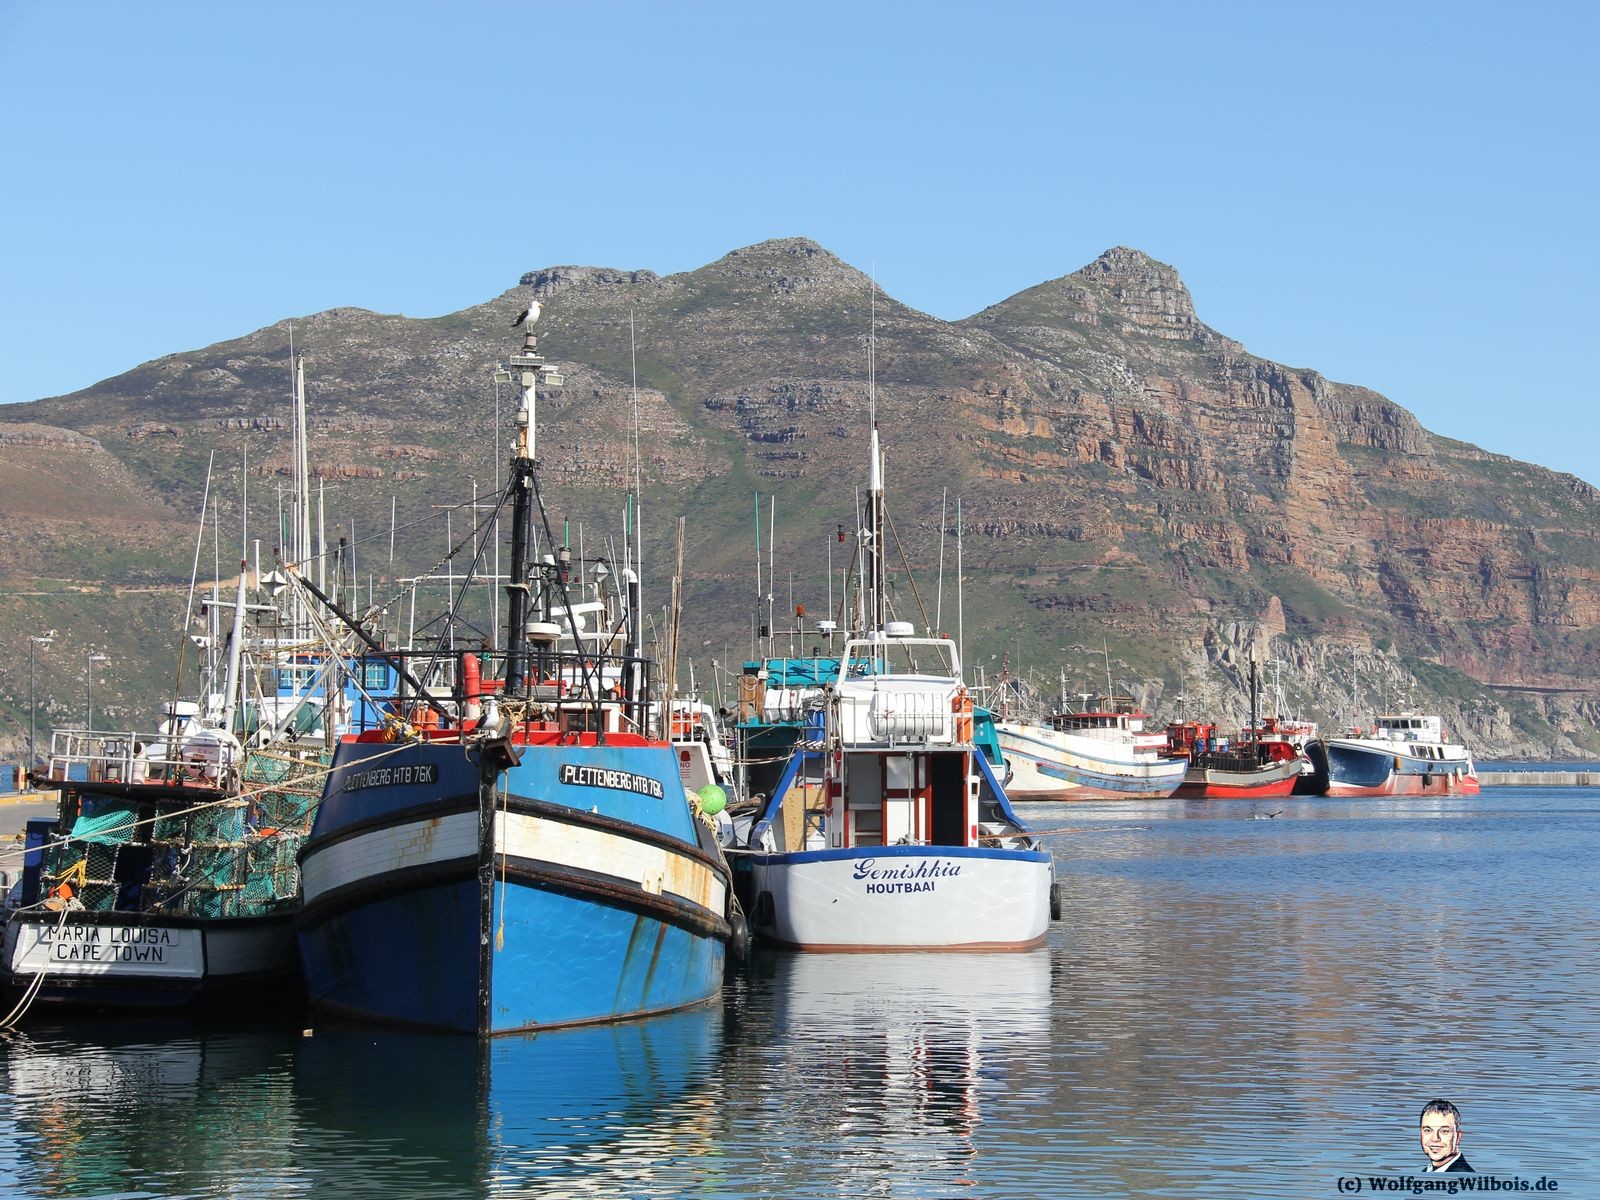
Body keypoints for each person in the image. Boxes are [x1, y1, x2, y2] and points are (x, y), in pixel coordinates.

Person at [1419, 1099, 1473, 1173]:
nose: (1435, 1138)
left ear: (1458, 1137)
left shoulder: (1465, 1177)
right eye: (1428, 1130)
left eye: (1444, 1131)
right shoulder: (1425, 1172)